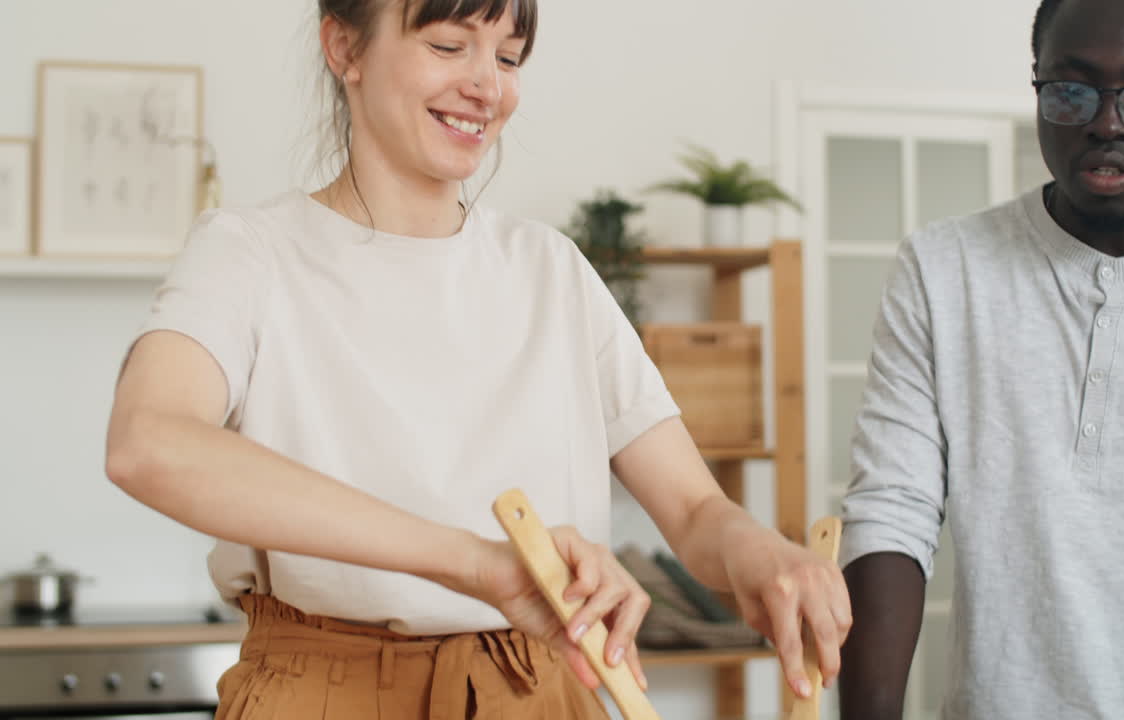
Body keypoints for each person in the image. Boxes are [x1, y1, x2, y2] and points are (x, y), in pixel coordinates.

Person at [103, 1, 852, 718]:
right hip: (321, 694)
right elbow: (149, 443)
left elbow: (693, 509)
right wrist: (474, 562)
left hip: (543, 697)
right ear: (344, 48)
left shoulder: (550, 271)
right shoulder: (249, 254)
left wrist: (757, 549)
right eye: (447, 45)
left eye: (509, 56)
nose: (487, 86)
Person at [835, 0, 1124, 718]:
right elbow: (891, 513)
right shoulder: (944, 271)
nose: (1107, 122)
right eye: (1071, 91)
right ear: (1036, 87)